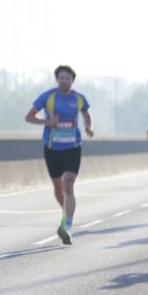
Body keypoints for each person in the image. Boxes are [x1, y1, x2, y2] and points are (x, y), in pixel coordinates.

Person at [25, 65, 94, 245]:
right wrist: (47, 122)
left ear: (72, 80)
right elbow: (29, 117)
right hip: (52, 148)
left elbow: (86, 114)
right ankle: (65, 214)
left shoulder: (78, 98)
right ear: (57, 80)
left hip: (73, 147)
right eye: (61, 78)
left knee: (68, 184)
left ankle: (67, 226)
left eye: (68, 78)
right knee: (58, 188)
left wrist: (88, 127)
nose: (64, 81)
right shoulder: (48, 97)